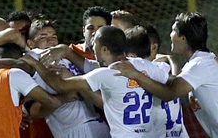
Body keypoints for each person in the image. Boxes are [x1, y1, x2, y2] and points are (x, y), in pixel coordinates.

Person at [113, 12, 218, 138]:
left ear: (183, 38)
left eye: (173, 31)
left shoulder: (200, 64)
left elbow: (170, 93)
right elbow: (175, 81)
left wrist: (137, 75)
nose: (170, 35)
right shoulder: (202, 61)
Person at [21, 26, 169, 137]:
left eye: (95, 45)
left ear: (104, 49)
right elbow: (170, 82)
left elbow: (59, 85)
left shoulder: (105, 74)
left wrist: (36, 64)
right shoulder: (142, 65)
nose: (92, 47)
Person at [0, 43, 61, 138]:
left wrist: (10, 117)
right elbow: (52, 103)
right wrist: (70, 96)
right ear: (21, 59)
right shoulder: (14, 74)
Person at [123, 25, 189, 138]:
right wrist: (171, 59)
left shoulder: (128, 73)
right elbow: (177, 80)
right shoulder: (163, 68)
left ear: (130, 56)